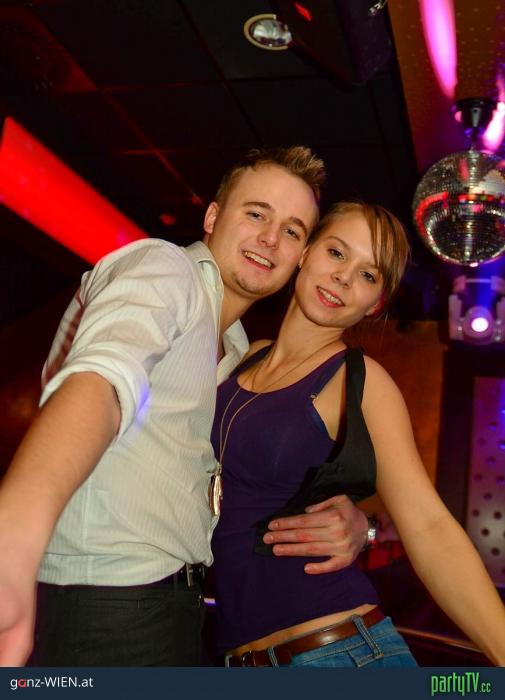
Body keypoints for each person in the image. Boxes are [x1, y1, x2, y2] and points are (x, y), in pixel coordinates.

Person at [0, 148, 370, 667]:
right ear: (213, 217)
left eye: (291, 230)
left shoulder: (237, 351)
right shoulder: (164, 268)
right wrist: (12, 543)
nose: (270, 238)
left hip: (171, 607)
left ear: (300, 256)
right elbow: (100, 383)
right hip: (105, 601)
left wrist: (354, 523)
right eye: (256, 214)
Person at [211, 201, 505, 668]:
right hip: (243, 662)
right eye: (336, 252)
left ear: (377, 303)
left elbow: (429, 526)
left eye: (368, 275)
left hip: (339, 656)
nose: (344, 278)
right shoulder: (246, 356)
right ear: (305, 252)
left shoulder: (359, 380)